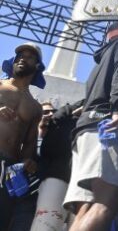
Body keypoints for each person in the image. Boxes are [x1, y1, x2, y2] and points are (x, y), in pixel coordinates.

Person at [63, 22, 118, 231]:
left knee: (85, 208)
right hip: (105, 128)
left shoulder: (98, 65)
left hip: (84, 133)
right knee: (106, 204)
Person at [0, 42, 45, 231]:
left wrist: (28, 160)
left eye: (28, 57)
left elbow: (29, 143)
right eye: (19, 55)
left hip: (8, 168)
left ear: (37, 66)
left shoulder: (35, 107)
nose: (21, 58)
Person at [31, 99, 83, 231]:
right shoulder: (29, 142)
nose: (50, 114)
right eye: (45, 112)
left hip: (70, 184)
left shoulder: (64, 129)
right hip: (31, 197)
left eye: (53, 111)